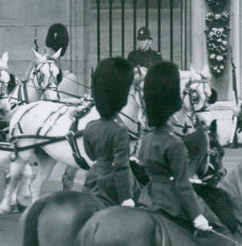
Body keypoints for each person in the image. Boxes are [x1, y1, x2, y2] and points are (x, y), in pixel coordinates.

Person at [136, 61, 213, 232]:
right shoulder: (174, 143)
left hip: (148, 198)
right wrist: (197, 216)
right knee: (216, 228)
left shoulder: (147, 138)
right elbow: (182, 185)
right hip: (171, 203)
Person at [82, 57, 138, 207]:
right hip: (112, 185)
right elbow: (121, 166)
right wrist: (126, 197)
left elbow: (91, 154)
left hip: (92, 180)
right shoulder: (119, 130)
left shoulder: (89, 126)